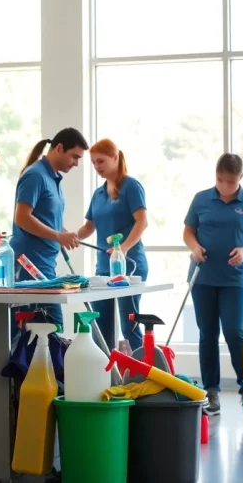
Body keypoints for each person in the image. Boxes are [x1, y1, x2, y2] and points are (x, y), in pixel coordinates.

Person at [183, 153, 243, 421]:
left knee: (234, 331)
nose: (224, 187)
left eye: (230, 182)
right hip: (203, 276)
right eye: (220, 180)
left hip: (235, 279)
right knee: (207, 333)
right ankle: (211, 392)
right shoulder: (201, 199)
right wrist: (195, 247)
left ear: (240, 178)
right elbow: (188, 231)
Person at [10, 128, 88, 336]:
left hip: (46, 266)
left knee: (49, 334)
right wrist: (57, 236)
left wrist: (64, 234)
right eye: (74, 157)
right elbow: (22, 217)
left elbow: (48, 220)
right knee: (50, 330)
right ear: (59, 148)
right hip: (29, 266)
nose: (76, 163)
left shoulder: (53, 179)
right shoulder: (35, 175)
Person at [76, 139, 148, 353]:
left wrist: (123, 248)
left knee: (129, 326)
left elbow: (142, 221)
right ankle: (106, 377)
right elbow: (89, 227)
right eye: (93, 163)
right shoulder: (98, 193)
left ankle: (145, 376)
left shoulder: (130, 186)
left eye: (101, 161)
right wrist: (69, 236)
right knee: (101, 326)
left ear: (116, 158)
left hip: (129, 266)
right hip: (104, 268)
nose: (97, 167)